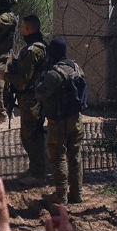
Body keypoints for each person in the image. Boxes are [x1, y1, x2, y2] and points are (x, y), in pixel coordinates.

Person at [32, 36, 87, 204]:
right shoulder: (76, 67)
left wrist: (40, 79)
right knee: (75, 155)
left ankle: (61, 193)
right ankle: (77, 193)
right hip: (75, 119)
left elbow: (40, 94)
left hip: (58, 120)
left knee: (58, 155)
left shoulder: (55, 74)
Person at [5, 14, 50, 178]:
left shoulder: (32, 51)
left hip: (31, 98)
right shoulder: (41, 46)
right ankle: (36, 168)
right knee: (32, 134)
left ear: (28, 29)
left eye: (23, 28)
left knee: (31, 136)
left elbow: (23, 79)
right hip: (36, 96)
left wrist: (5, 76)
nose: (22, 32)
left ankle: (38, 172)